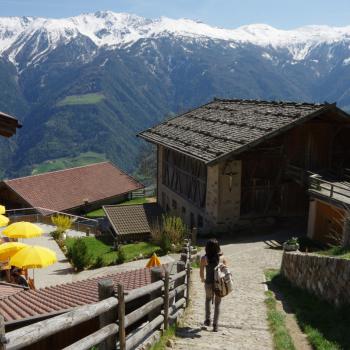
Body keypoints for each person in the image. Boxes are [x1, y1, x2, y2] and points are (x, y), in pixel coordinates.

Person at [199, 238, 227, 332]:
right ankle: (215, 325)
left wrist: (203, 279)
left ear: (207, 248)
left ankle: (207, 320)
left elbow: (201, 272)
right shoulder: (222, 258)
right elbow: (226, 270)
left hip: (208, 283)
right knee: (218, 304)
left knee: (208, 300)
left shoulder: (204, 258)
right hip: (219, 284)